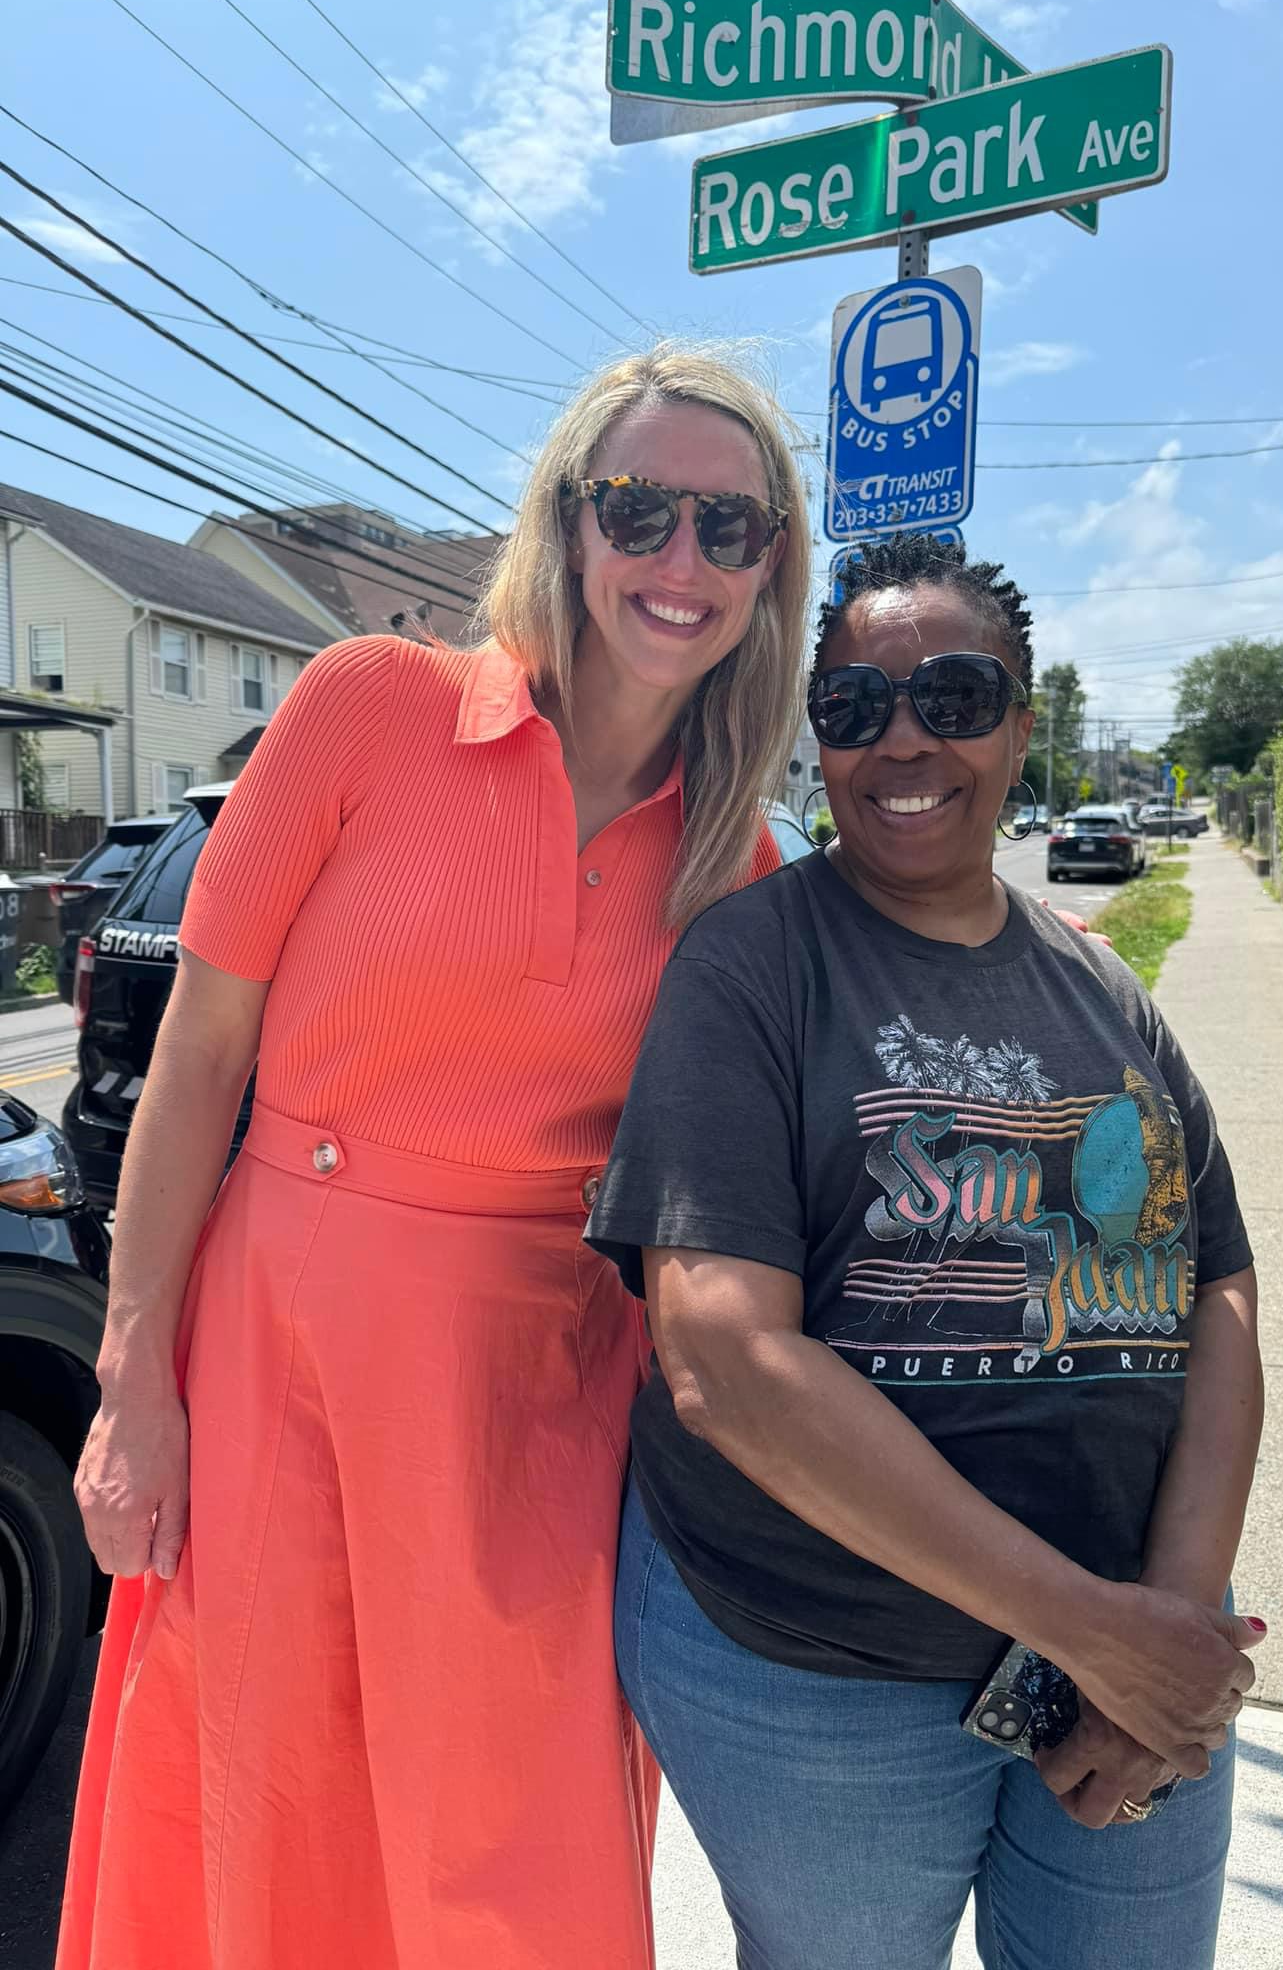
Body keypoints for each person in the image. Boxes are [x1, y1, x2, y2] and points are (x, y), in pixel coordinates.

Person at [58, 344, 813, 1970]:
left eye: (728, 529)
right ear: (570, 522)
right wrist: (133, 1387)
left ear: (771, 569)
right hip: (281, 1351)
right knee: (266, 1795)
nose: (679, 561)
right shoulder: (365, 707)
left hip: (539, 1401)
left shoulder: (735, 859)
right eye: (641, 510)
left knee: (510, 1854)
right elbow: (195, 1063)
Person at [588, 531, 1267, 1970]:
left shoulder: (1102, 984)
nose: (904, 738)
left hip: (1128, 1657)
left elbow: (1219, 1294)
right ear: (817, 743)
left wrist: (1165, 1637)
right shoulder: (752, 965)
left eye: (956, 696)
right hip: (820, 1677)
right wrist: (1097, 1629)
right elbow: (722, 1356)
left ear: (1023, 727)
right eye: (853, 708)